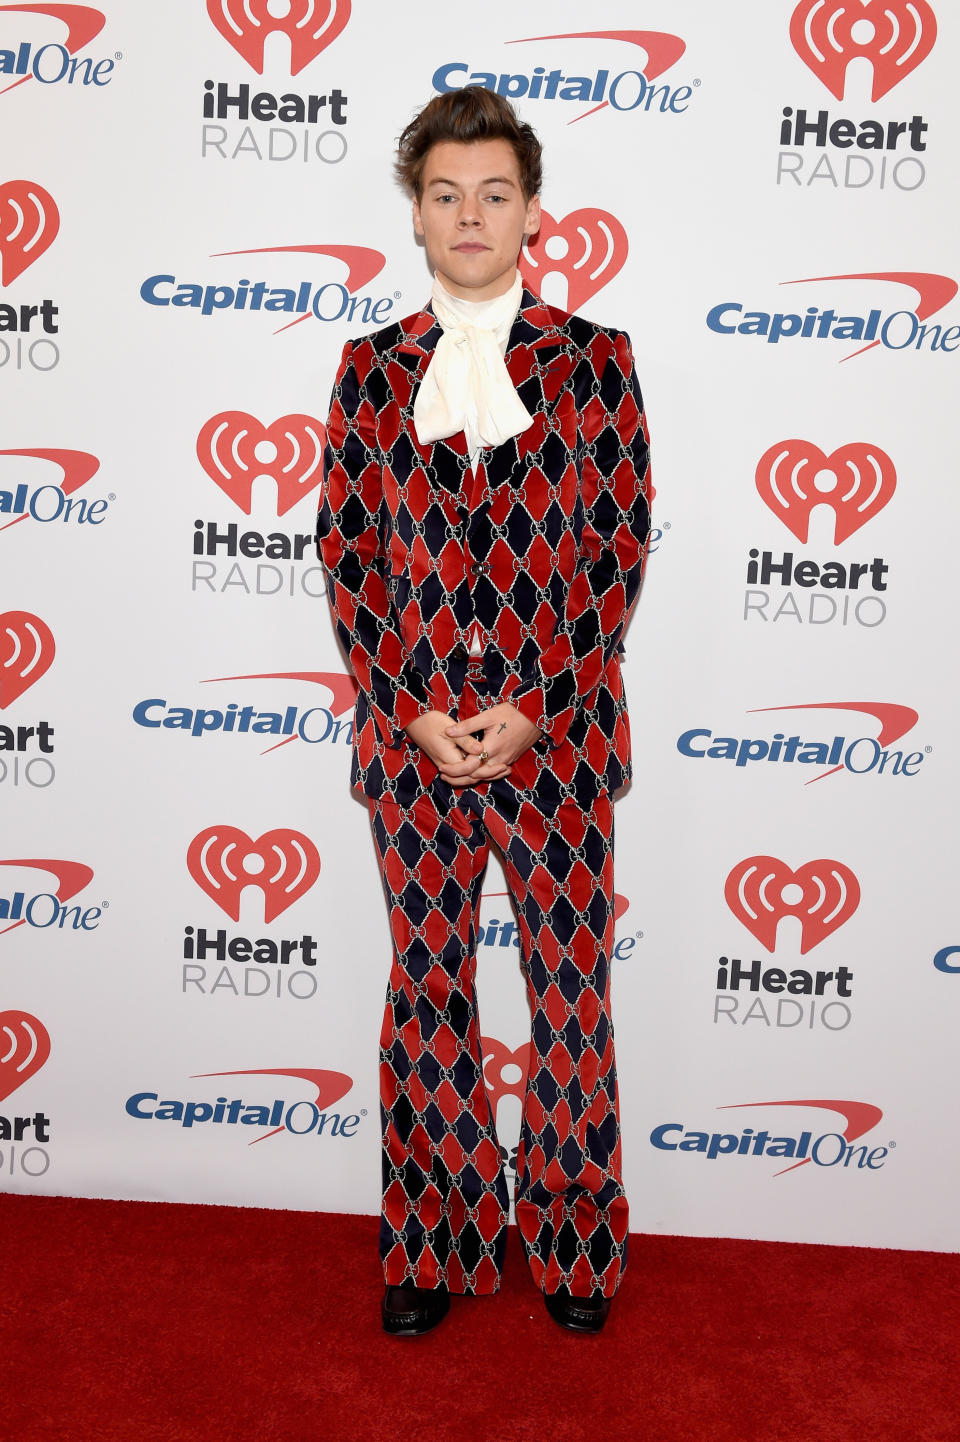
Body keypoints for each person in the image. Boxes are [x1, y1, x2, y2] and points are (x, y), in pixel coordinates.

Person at [316, 86, 650, 1337]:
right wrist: (407, 709)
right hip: (413, 747)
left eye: (493, 193)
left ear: (531, 213)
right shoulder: (368, 370)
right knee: (429, 988)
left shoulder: (597, 361)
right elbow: (346, 554)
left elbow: (616, 554)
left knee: (569, 992)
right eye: (446, 193)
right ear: (415, 214)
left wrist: (537, 704)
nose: (470, 214)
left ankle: (570, 1235)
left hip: (555, 741)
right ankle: (438, 1233)